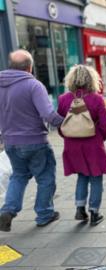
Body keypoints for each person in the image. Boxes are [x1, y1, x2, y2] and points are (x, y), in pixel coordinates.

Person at [0, 50, 64, 231]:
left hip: (10, 142)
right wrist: (66, 122)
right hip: (35, 141)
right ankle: (44, 214)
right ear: (30, 67)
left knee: (18, 176)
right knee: (45, 178)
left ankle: (8, 210)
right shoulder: (33, 85)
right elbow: (48, 115)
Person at [57, 65, 106, 226]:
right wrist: (100, 138)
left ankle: (80, 209)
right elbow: (105, 125)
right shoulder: (96, 99)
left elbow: (59, 123)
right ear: (92, 79)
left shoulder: (63, 99)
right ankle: (94, 212)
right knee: (96, 177)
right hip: (93, 144)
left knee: (82, 175)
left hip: (72, 145)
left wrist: (67, 135)